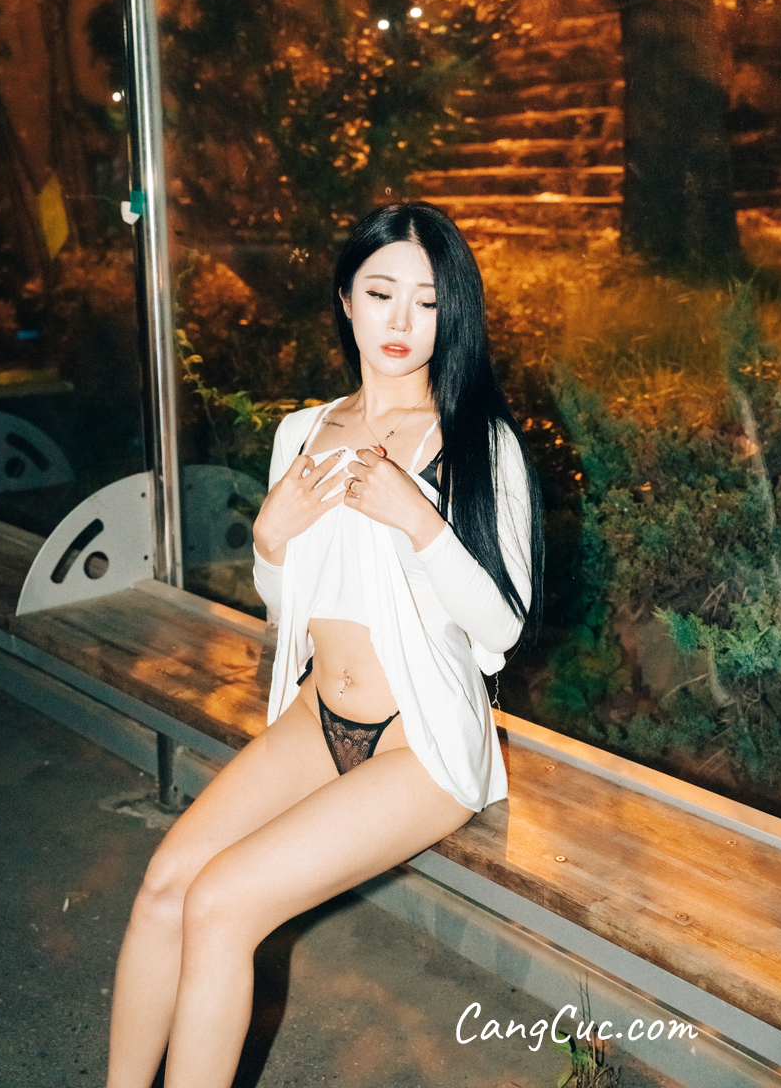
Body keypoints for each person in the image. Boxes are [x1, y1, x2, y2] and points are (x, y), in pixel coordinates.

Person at [105, 201, 543, 1088]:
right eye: (381, 293)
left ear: (452, 314)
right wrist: (269, 542)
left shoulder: (477, 444)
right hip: (317, 716)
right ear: (345, 300)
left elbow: (502, 628)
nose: (401, 320)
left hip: (422, 743)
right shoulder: (301, 435)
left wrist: (420, 523)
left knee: (222, 904)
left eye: (428, 301)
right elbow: (290, 610)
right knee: (165, 886)